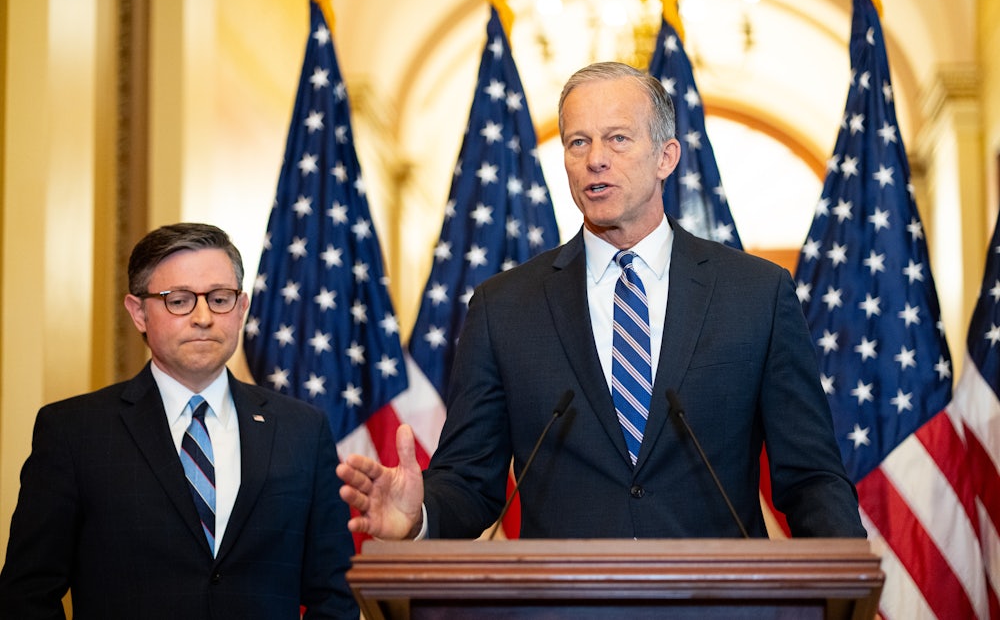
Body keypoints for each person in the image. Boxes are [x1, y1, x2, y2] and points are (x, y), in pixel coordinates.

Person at [337, 61, 866, 541]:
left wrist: (850, 581)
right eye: (577, 142)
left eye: (617, 139)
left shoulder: (756, 294)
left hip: (718, 597)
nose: (595, 160)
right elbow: (471, 480)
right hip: (561, 598)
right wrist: (419, 516)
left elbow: (811, 476)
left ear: (666, 157)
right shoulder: (504, 308)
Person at [0, 223, 358, 619]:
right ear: (139, 313)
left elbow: (334, 594)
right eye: (179, 301)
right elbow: (27, 595)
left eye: (219, 299)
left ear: (241, 309)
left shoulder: (303, 430)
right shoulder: (74, 432)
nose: (203, 317)